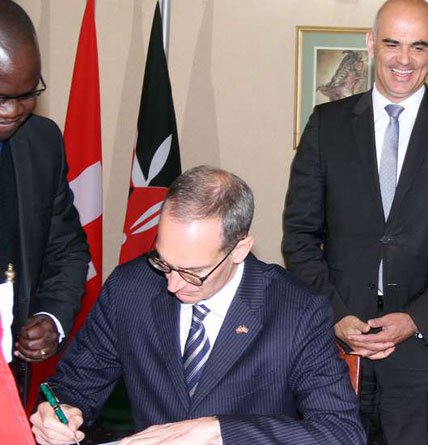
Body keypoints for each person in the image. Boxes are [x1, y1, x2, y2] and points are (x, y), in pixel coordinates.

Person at [282, 0, 428, 442]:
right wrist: (335, 315)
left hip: (423, 350)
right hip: (335, 344)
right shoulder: (327, 124)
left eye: (417, 47)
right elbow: (300, 236)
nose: (404, 59)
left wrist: (414, 319)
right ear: (370, 44)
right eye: (392, 43)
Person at [30, 166, 364, 445]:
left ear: (239, 249)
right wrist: (57, 411)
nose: (172, 284)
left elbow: (341, 432)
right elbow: (73, 385)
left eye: (193, 273)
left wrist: (219, 430)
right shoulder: (129, 288)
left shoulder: (296, 310)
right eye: (163, 261)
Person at [0, 0, 90, 403]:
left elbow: (67, 247)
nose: (13, 111)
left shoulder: (42, 142)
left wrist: (53, 316)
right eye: (0, 95)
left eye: (26, 94)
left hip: (10, 382)